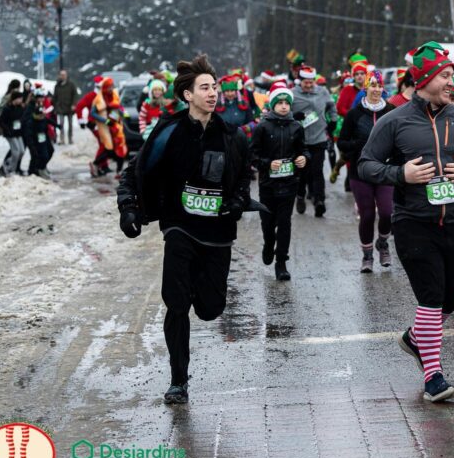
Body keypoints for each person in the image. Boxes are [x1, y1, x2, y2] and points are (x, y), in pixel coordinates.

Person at [358, 42, 454, 402]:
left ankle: (416, 338)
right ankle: (434, 376)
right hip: (414, 223)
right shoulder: (395, 120)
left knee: (449, 300)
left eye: (452, 75)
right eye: (445, 75)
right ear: (426, 79)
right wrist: (401, 174)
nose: (452, 82)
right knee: (430, 298)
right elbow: (366, 164)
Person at [117, 54, 253, 405]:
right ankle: (178, 380)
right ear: (187, 95)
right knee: (176, 305)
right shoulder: (168, 132)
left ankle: (197, 291)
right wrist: (129, 208)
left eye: (214, 87)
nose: (213, 93)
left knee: (210, 308)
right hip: (180, 227)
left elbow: (243, 178)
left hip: (218, 233)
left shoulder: (232, 136)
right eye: (205, 88)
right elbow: (134, 171)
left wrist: (237, 202)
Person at [250, 81, 308, 281]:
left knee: (284, 223)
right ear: (273, 105)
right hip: (268, 185)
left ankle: (281, 262)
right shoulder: (262, 127)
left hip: (289, 183)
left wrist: (303, 158)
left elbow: (303, 149)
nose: (284, 106)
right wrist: (267, 164)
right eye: (280, 103)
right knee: (268, 222)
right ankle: (268, 243)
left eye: (287, 103)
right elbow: (252, 155)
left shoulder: (296, 127)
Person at [339, 70, 397, 272]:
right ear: (365, 88)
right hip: (360, 172)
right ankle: (367, 256)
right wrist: (358, 145)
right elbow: (342, 143)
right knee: (367, 215)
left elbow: (399, 138)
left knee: (387, 212)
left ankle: (383, 243)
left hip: (384, 170)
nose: (376, 89)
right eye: (372, 85)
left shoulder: (391, 111)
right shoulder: (354, 114)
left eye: (379, 86)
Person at [290, 66, 337, 217]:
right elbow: (284, 111)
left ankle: (319, 201)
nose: (309, 85)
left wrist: (333, 120)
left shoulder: (322, 91)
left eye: (311, 82)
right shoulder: (293, 94)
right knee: (302, 172)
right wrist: (294, 116)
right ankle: (300, 196)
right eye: (306, 82)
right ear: (300, 81)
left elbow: (331, 106)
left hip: (319, 137)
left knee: (317, 170)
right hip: (300, 140)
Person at [89, 77, 128, 177]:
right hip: (105, 126)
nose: (111, 89)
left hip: (116, 125)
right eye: (108, 87)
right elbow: (92, 113)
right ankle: (96, 164)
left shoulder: (115, 95)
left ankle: (119, 171)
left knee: (121, 146)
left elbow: (119, 107)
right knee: (109, 148)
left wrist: (123, 112)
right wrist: (105, 121)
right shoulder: (99, 98)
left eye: (112, 87)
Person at [23, 83, 56, 178]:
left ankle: (41, 167)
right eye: (40, 97)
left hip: (42, 132)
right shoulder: (31, 107)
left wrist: (55, 124)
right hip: (33, 133)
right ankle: (34, 171)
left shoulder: (40, 105)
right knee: (36, 154)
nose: (42, 99)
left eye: (43, 97)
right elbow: (27, 120)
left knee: (49, 151)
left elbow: (44, 117)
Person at [0, 91, 26, 177]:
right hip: (10, 133)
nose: (21, 100)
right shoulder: (7, 109)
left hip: (18, 132)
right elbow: (0, 121)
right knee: (15, 152)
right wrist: (8, 129)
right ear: (15, 99)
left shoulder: (20, 108)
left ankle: (6, 164)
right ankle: (11, 170)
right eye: (20, 98)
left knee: (21, 151)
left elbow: (21, 119)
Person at [52, 70, 79, 145]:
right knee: (61, 124)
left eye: (64, 75)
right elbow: (55, 97)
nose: (63, 76)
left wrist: (74, 104)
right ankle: (62, 139)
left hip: (69, 107)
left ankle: (70, 138)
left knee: (70, 124)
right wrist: (55, 106)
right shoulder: (57, 86)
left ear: (66, 75)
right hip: (60, 108)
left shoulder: (71, 85)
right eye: (61, 75)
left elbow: (75, 95)